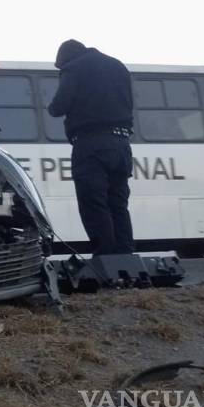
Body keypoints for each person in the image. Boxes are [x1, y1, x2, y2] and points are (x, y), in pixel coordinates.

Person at [47, 40, 135, 255]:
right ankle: (125, 259)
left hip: (91, 144)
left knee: (93, 203)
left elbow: (58, 107)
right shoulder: (118, 66)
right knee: (118, 204)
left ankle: (105, 259)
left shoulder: (74, 67)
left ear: (65, 58)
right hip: (122, 144)